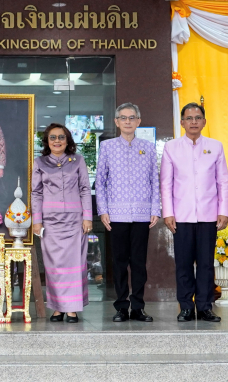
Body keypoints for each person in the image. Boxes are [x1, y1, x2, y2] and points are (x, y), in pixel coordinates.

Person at [161, 103, 228, 323]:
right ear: (181, 122)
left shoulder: (215, 146)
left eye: (197, 118)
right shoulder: (171, 147)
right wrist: (168, 213)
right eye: (188, 118)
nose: (193, 122)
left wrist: (223, 210)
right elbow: (166, 183)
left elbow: (223, 181)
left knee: (206, 264)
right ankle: (186, 307)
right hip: (181, 216)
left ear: (204, 122)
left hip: (209, 215)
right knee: (183, 264)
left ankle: (205, 306)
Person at [95, 103, 160, 323]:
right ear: (116, 122)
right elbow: (100, 182)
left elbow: (155, 181)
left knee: (139, 263)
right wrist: (103, 210)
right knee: (120, 262)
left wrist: (155, 209)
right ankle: (122, 306)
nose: (128, 121)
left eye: (132, 118)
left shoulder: (148, 147)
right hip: (116, 214)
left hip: (142, 214)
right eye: (123, 118)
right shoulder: (108, 147)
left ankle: (138, 307)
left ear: (139, 121)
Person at [31, 124, 92, 323]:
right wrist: (37, 221)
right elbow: (36, 192)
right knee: (54, 266)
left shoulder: (78, 161)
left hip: (75, 221)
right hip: (50, 222)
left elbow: (84, 189)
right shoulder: (40, 162)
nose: (57, 141)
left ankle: (72, 309)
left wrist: (88, 217)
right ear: (47, 141)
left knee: (75, 264)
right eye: (53, 137)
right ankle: (57, 308)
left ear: (68, 141)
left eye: (61, 137)